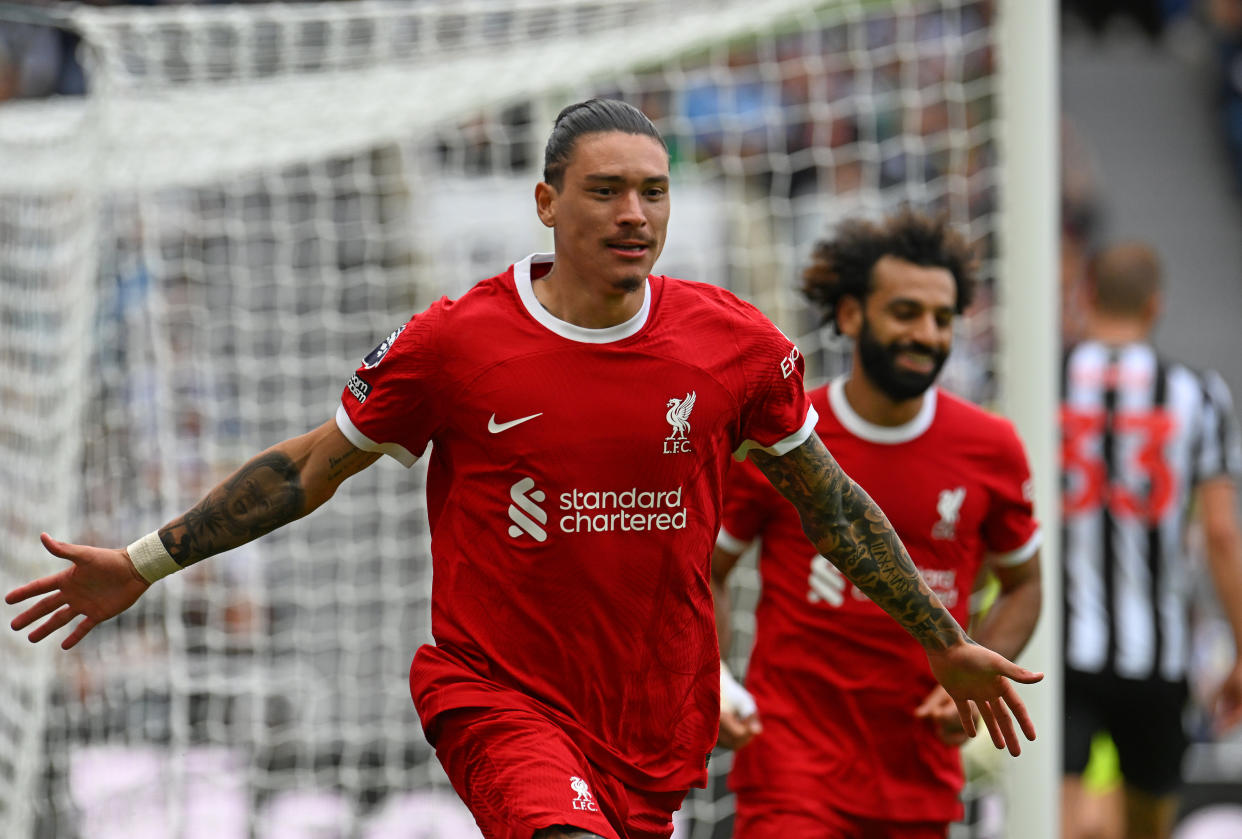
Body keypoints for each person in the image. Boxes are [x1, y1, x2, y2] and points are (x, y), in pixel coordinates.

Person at [6, 99, 1042, 839]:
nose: (634, 212)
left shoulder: (734, 346)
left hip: (650, 724)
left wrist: (945, 641)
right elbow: (307, 470)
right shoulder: (454, 342)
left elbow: (835, 507)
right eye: (606, 190)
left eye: (653, 190)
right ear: (547, 202)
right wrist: (144, 561)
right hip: (498, 693)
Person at [711, 209, 1044, 838]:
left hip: (919, 777)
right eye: (905, 312)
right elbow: (707, 569)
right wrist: (719, 679)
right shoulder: (784, 438)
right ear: (850, 316)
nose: (926, 333)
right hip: (792, 771)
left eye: (942, 319)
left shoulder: (991, 447)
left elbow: (1025, 583)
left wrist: (975, 669)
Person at [1060, 241, 1242, 839]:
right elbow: (1220, 531)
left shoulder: (1050, 378)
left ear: (1086, 295)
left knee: (1051, 820)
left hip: (1060, 650)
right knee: (1148, 826)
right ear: (1155, 306)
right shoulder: (1200, 396)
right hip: (1158, 659)